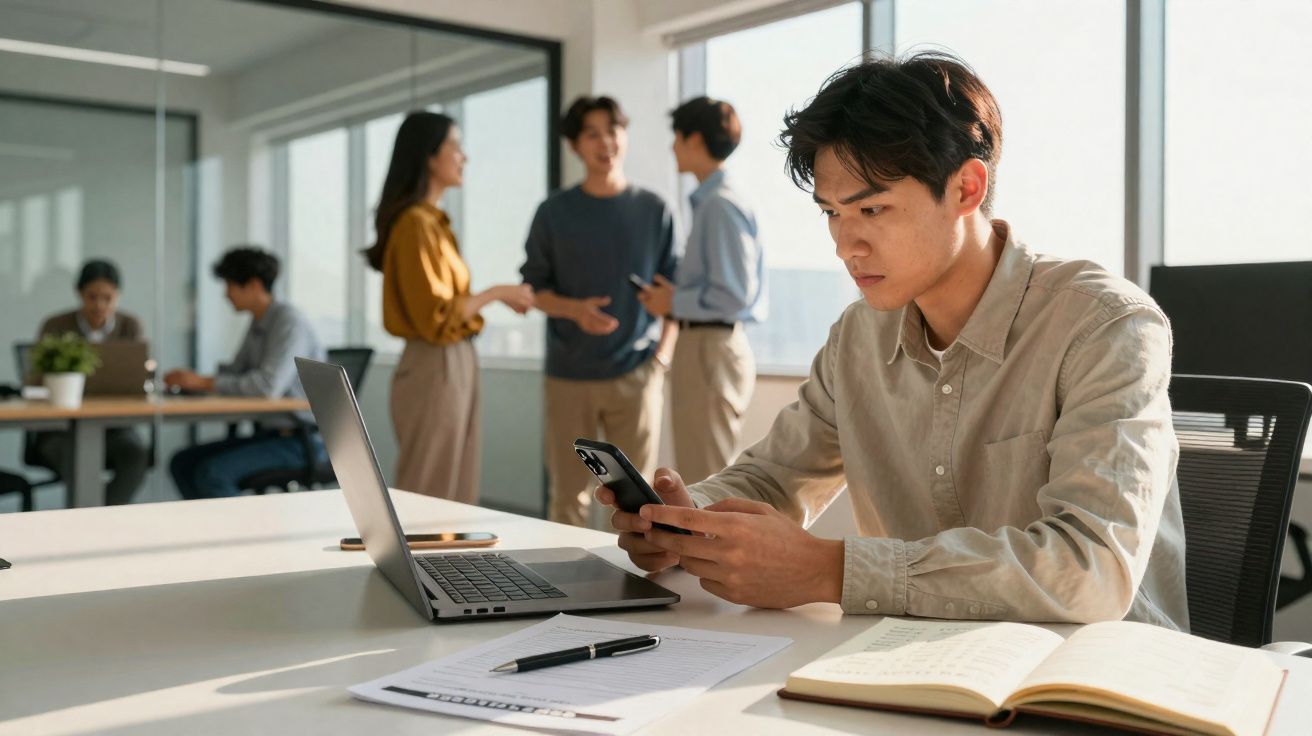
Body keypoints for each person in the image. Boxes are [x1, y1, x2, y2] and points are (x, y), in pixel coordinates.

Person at [599, 52, 1188, 630]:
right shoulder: (859, 335)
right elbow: (774, 478)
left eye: (872, 209)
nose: (844, 245)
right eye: (830, 213)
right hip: (923, 667)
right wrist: (683, 521)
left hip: (1097, 684)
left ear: (966, 188)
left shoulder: (1104, 326)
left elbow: (1090, 569)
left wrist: (831, 571)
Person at [520, 95, 678, 527]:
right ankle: (565, 588)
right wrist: (574, 310)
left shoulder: (654, 210)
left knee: (639, 498)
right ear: (574, 146)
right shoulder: (553, 212)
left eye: (612, 130)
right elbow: (533, 290)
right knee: (567, 498)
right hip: (569, 375)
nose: (605, 141)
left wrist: (661, 359)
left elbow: (674, 293)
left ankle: (636, 583)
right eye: (592, 133)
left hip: (637, 373)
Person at [365, 111, 533, 504]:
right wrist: (495, 293)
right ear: (429, 156)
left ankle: (442, 567)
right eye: (455, 146)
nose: (464, 157)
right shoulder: (416, 225)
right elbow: (436, 317)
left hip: (453, 360)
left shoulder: (433, 223)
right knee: (430, 488)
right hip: (435, 362)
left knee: (453, 488)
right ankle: (413, 566)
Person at [638, 96, 766, 485]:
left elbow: (734, 295)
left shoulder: (719, 204)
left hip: (710, 349)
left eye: (676, 137)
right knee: (701, 473)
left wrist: (672, 301)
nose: (672, 147)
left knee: (707, 479)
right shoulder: (715, 201)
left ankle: (707, 549)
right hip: (705, 347)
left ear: (693, 140)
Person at [166, 247, 327, 500]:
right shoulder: (259, 322)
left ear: (253, 285)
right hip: (269, 435)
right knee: (182, 462)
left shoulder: (288, 322)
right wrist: (195, 382)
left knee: (212, 474)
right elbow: (237, 371)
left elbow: (266, 386)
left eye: (229, 285)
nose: (226, 294)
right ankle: (211, 534)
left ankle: (241, 537)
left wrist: (206, 382)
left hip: (302, 441)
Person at [32, 259, 149, 505]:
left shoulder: (130, 326)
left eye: (107, 298)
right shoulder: (55, 326)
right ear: (79, 294)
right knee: (78, 460)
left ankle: (102, 518)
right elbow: (34, 380)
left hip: (115, 427)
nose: (99, 305)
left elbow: (139, 379)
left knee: (135, 455)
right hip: (60, 430)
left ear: (118, 296)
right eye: (92, 297)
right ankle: (92, 521)